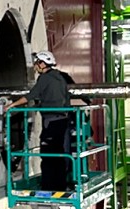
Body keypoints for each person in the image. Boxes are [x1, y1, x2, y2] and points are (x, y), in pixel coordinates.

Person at [5, 51, 81, 190]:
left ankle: (49, 186)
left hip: (52, 122)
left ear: (43, 63)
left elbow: (31, 95)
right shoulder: (59, 77)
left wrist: (12, 105)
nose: (35, 66)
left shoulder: (45, 78)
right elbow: (65, 99)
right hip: (62, 120)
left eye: (37, 63)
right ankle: (59, 185)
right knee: (58, 154)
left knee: (48, 153)